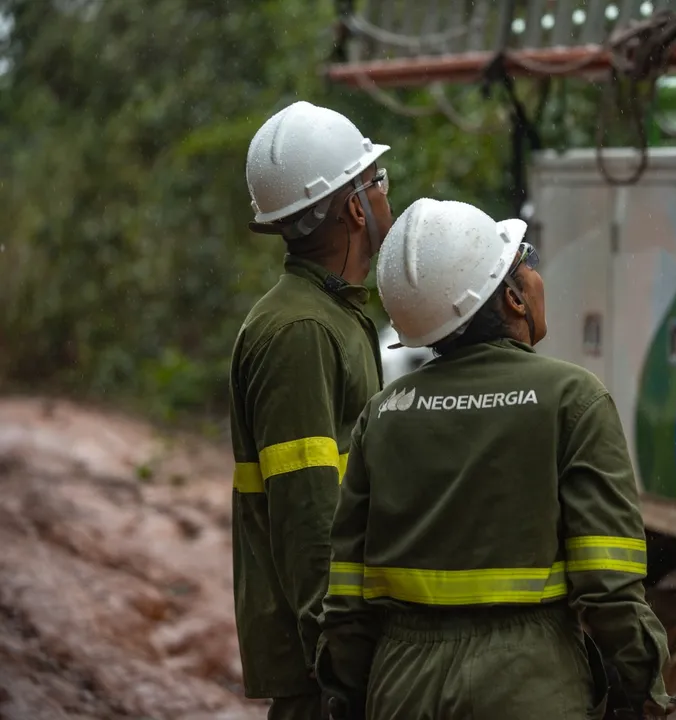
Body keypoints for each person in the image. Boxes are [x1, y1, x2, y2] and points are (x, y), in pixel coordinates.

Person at [316, 198, 676, 720]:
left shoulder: (385, 413)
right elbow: (609, 585)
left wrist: (348, 692)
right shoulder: (571, 399)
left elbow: (346, 594)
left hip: (401, 686)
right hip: (529, 683)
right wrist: (645, 686)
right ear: (509, 296)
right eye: (524, 260)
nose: (536, 275)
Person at [229, 100, 393, 720]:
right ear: (355, 206)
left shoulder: (332, 313)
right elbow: (307, 513)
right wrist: (338, 666)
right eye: (375, 181)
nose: (384, 194)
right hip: (321, 673)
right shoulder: (300, 329)